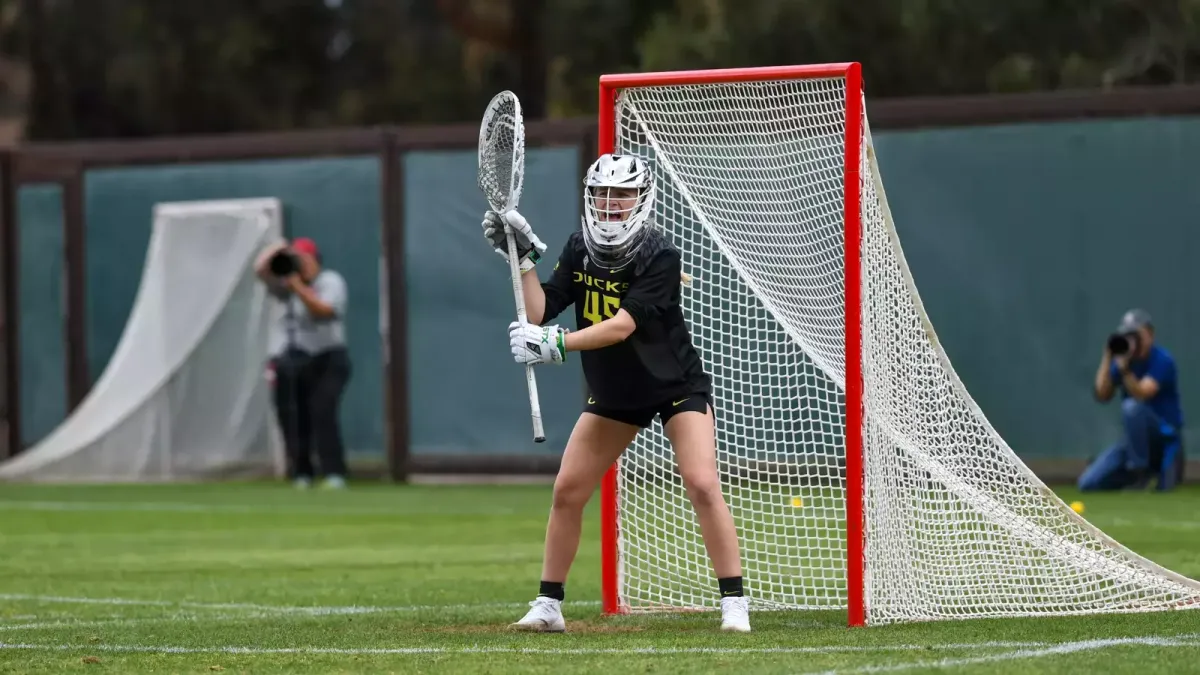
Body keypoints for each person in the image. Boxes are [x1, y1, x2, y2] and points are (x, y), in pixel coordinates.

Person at [480, 154, 750, 633]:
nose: (611, 203)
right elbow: (541, 310)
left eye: (622, 194)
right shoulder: (579, 246)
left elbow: (621, 326)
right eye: (603, 193)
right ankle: (548, 605)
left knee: (703, 483)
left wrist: (558, 345)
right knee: (567, 490)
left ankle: (734, 603)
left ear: (641, 200)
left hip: (674, 387)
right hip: (615, 392)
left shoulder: (660, 254)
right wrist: (521, 259)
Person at [253, 237, 352, 490]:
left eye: (305, 259)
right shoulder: (286, 284)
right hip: (295, 358)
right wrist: (279, 251)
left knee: (322, 410)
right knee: (294, 416)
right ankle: (301, 473)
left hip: (328, 357)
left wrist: (298, 286)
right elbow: (260, 270)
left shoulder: (329, 282)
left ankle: (334, 473)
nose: (302, 265)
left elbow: (323, 311)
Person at [1078, 308, 1185, 492]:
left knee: (1132, 407)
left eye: (1136, 334)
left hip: (1164, 441)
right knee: (1088, 483)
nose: (1132, 340)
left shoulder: (1162, 360)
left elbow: (1142, 393)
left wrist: (1125, 371)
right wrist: (1108, 356)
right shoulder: (1124, 361)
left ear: (1150, 335)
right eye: (1128, 335)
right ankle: (1134, 475)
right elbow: (1102, 394)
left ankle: (1140, 471)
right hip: (1134, 444)